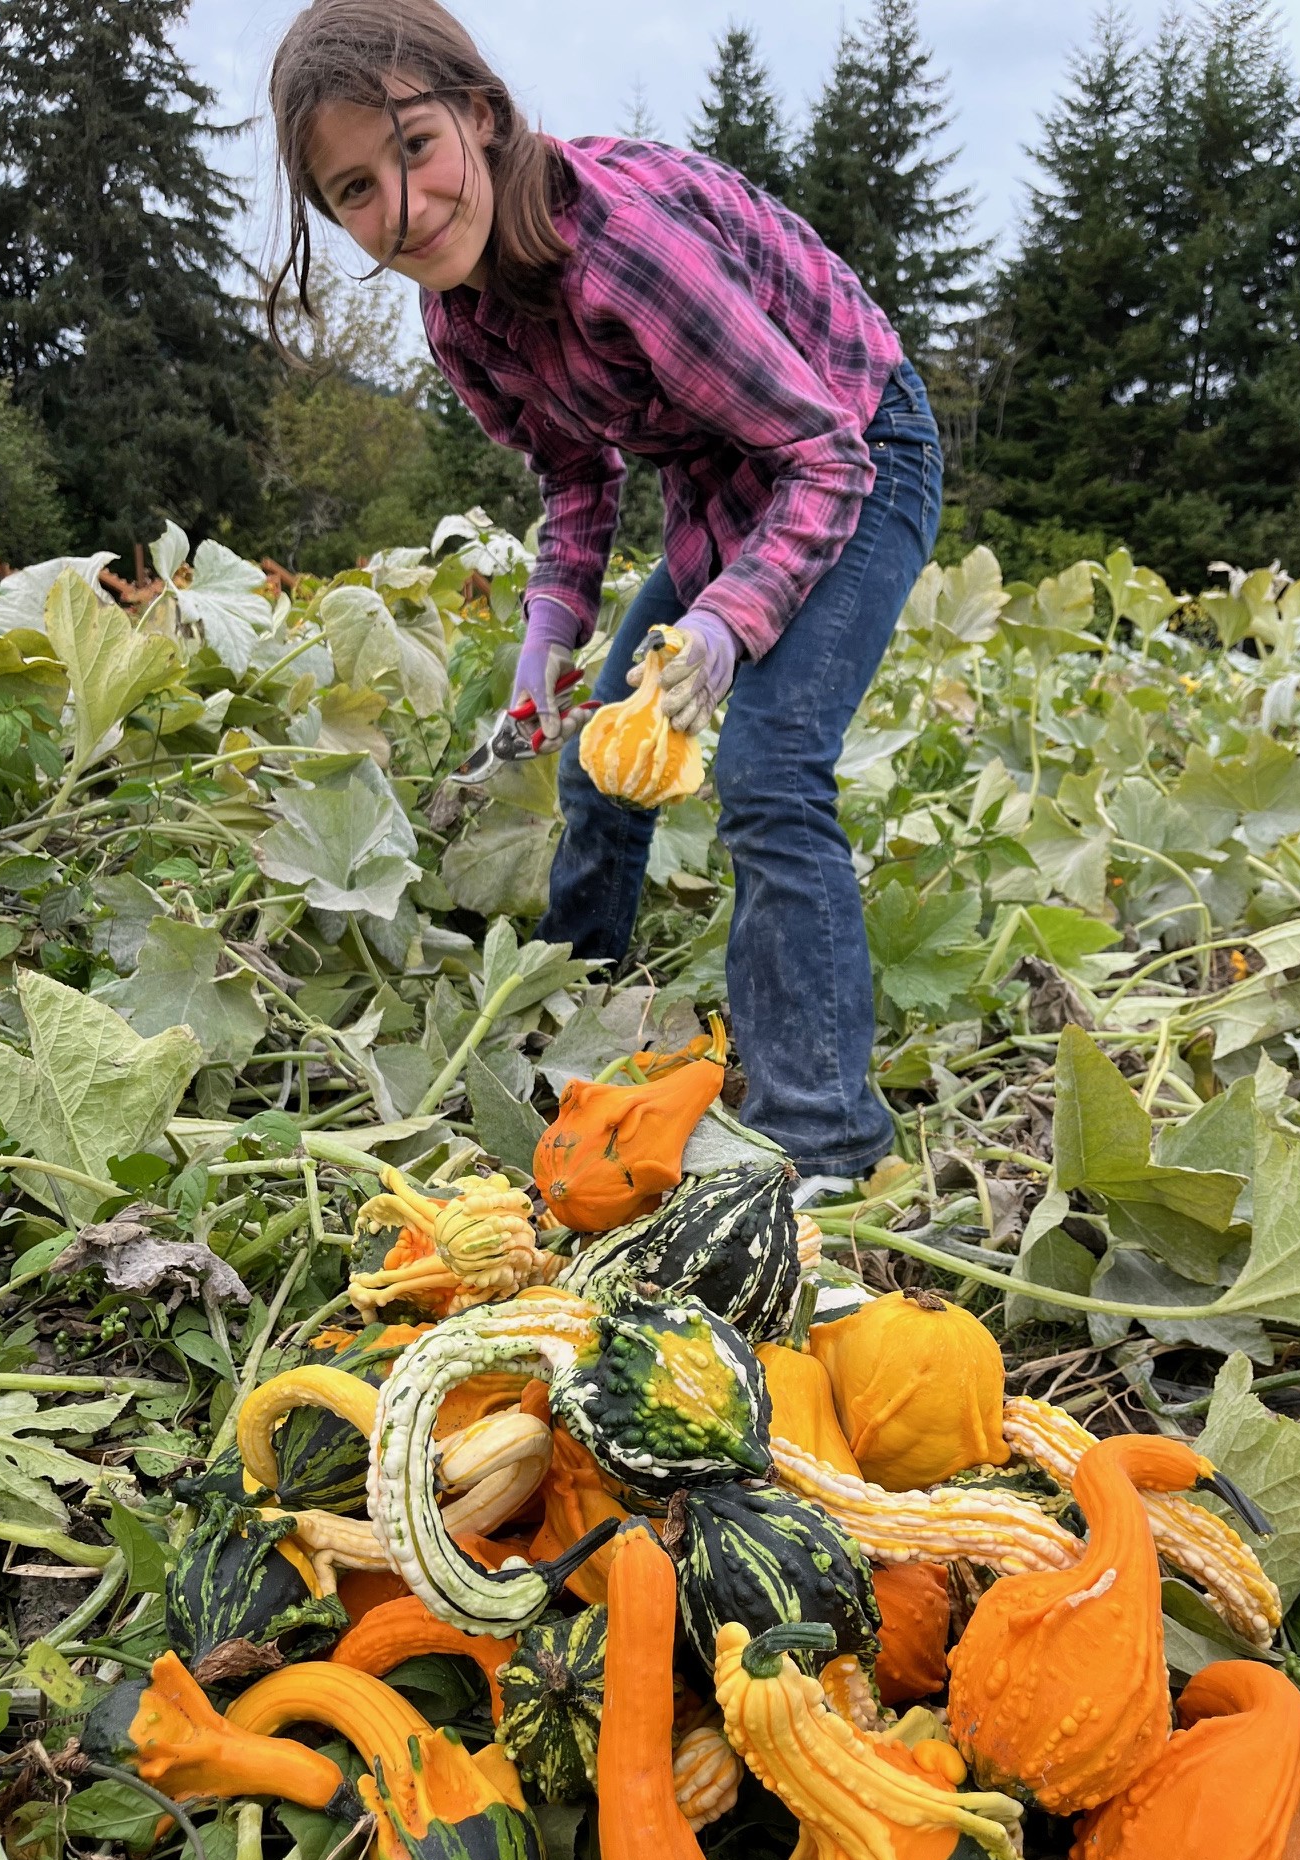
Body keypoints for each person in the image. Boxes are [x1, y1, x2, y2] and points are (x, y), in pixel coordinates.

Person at [268, 0, 943, 1178]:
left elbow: (822, 456)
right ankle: (579, 1006)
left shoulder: (624, 250)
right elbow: (577, 475)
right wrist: (546, 646)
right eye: (355, 192)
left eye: (415, 149)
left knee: (769, 772)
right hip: (717, 482)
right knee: (594, 759)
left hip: (859, 452)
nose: (404, 211)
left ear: (479, 116)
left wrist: (730, 625)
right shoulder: (458, 312)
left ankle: (826, 1138)